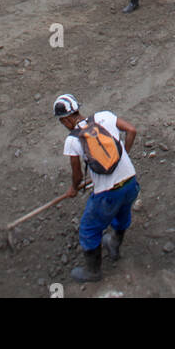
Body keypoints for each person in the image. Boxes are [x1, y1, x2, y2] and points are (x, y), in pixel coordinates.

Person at [55, 93, 139, 283]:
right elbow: (132, 130)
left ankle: (93, 272)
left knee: (88, 229)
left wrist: (73, 189)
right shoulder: (105, 116)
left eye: (62, 122)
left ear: (67, 119)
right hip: (131, 182)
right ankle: (114, 246)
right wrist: (122, 155)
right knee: (122, 214)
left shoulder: (72, 140)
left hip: (108, 194)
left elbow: (77, 175)